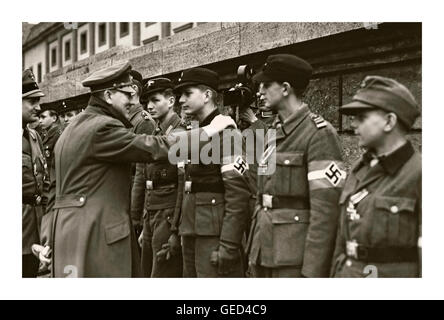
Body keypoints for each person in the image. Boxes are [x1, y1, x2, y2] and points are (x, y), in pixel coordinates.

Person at [33, 61, 235, 277]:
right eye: (128, 95)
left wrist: (48, 236)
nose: (134, 102)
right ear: (109, 95)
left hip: (66, 235)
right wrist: (210, 130)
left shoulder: (72, 128)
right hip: (97, 237)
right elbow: (154, 148)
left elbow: (55, 192)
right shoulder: (102, 126)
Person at [247, 54, 344, 278]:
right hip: (264, 250)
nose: (259, 91)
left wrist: (312, 271)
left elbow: (327, 211)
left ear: (285, 88)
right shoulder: (274, 131)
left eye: (266, 85)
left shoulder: (319, 134)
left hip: (294, 258)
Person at [331, 76, 421, 278]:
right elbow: (342, 240)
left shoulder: (420, 174)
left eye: (361, 117)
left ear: (389, 121)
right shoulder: (359, 169)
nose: (353, 124)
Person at [174, 67, 252, 277]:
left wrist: (228, 244)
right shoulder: (197, 132)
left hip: (215, 235)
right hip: (192, 230)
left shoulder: (227, 133)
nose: (181, 100)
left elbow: (238, 194)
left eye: (187, 93)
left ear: (207, 95)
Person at [132, 78, 185, 277]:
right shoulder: (156, 131)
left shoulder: (180, 132)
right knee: (147, 273)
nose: (150, 106)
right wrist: (138, 217)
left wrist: (175, 229)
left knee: (163, 274)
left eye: (156, 100)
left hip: (168, 212)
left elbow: (182, 183)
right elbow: (142, 177)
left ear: (171, 101)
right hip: (151, 212)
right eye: (147, 102)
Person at [22, 69, 49, 277]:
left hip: (35, 225)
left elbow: (43, 181)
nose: (38, 108)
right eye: (32, 101)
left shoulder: (34, 136)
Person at [38, 107, 63, 176]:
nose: (40, 121)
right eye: (39, 118)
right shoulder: (43, 135)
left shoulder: (59, 135)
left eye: (43, 117)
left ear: (54, 118)